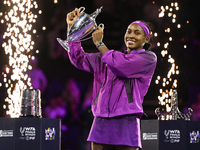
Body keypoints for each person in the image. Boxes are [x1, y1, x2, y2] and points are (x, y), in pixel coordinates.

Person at [65, 8, 157, 150]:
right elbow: (79, 59)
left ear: (146, 39)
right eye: (129, 31)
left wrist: (99, 44)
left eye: (137, 33)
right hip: (101, 118)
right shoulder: (107, 57)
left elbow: (120, 65)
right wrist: (73, 30)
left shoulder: (148, 58)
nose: (131, 35)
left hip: (126, 118)